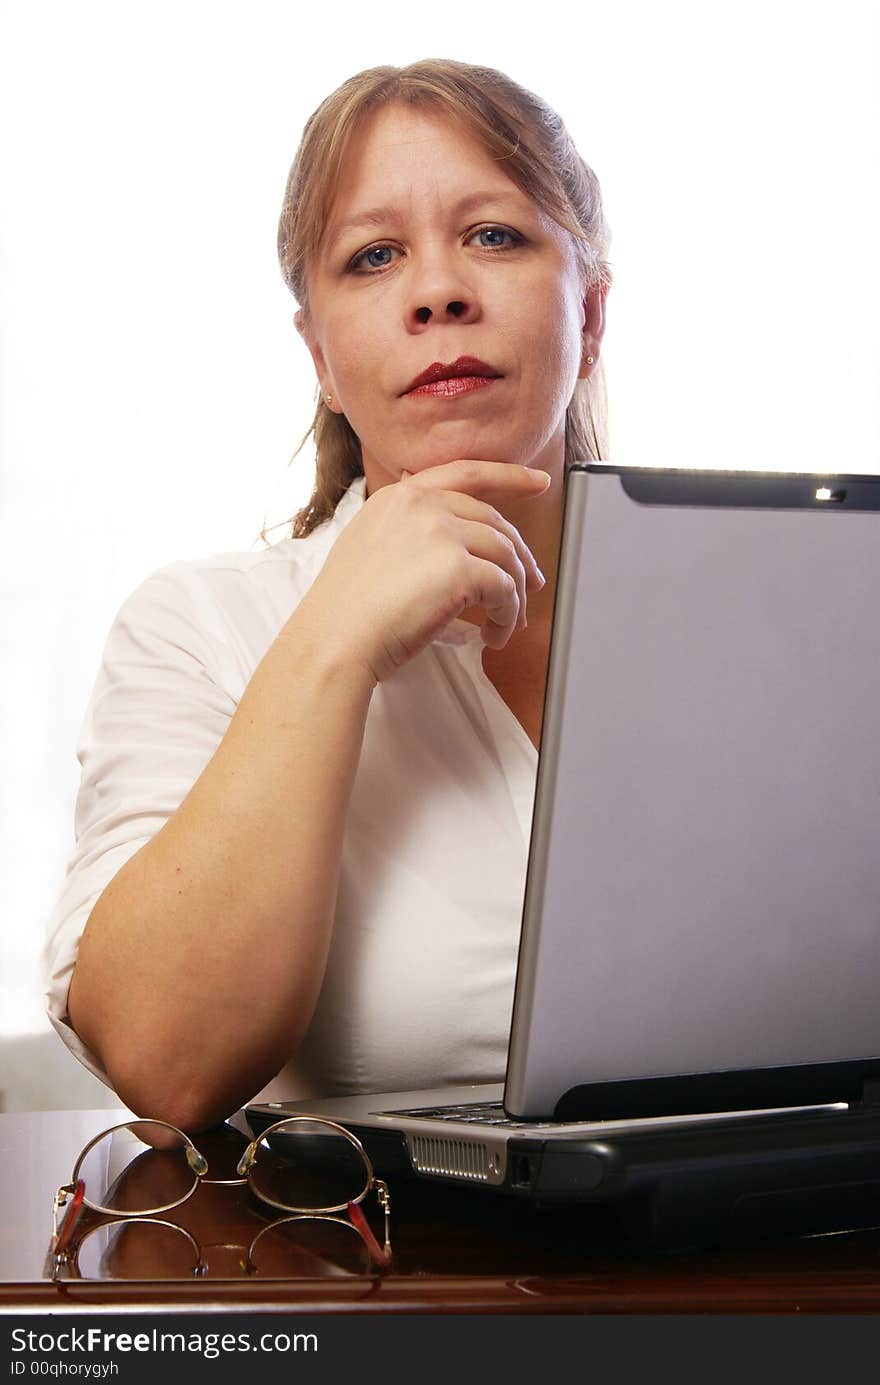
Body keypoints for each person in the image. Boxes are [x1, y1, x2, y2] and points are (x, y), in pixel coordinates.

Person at [45, 58, 611, 1134]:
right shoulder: (198, 628)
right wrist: (334, 641)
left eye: (494, 234)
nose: (438, 289)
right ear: (319, 355)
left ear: (589, 312)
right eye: (373, 255)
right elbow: (165, 1065)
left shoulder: (756, 619)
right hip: (383, 1280)